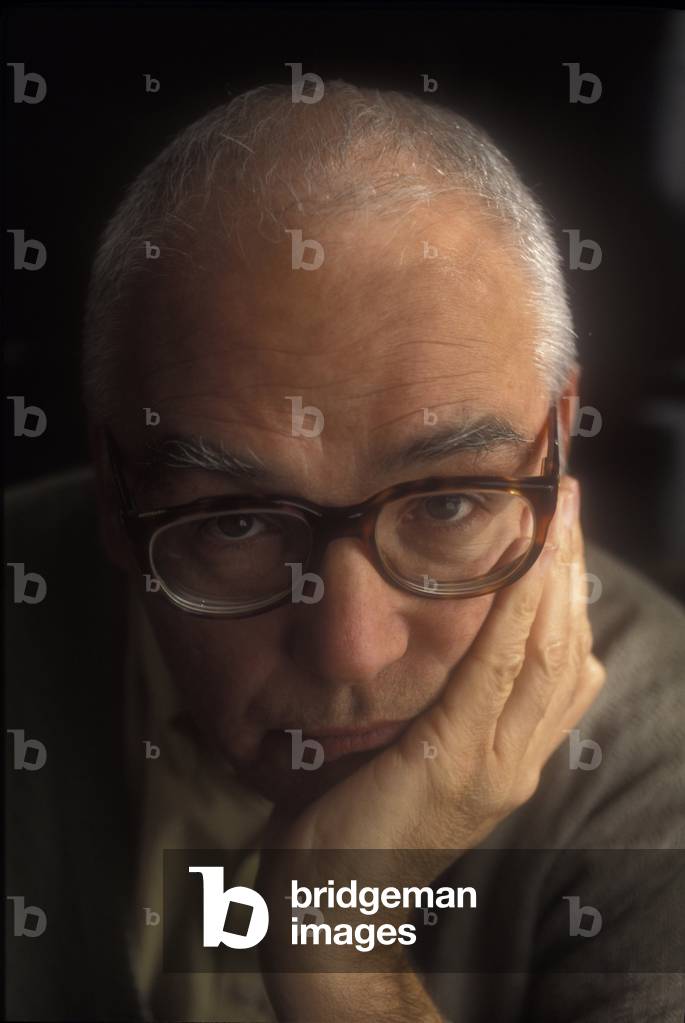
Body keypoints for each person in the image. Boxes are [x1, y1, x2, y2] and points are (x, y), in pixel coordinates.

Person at [6, 79, 684, 1023]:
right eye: (234, 522)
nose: (351, 649)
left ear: (558, 438)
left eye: (447, 502)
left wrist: (339, 949)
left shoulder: (669, 766)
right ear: (118, 497)